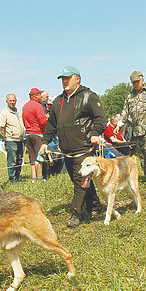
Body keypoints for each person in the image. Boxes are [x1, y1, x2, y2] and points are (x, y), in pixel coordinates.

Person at [40, 66, 107, 228]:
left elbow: (101, 118)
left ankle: (76, 214)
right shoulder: (58, 101)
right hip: (66, 150)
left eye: (67, 78)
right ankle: (96, 206)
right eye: (62, 79)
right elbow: (51, 125)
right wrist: (45, 142)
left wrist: (95, 133)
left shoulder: (89, 96)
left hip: (84, 148)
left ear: (77, 79)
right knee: (79, 180)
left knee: (80, 182)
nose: (64, 81)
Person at [0, 94, 25, 183]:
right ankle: (12, 179)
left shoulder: (18, 111)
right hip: (11, 140)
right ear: (7, 101)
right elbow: (0, 127)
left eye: (14, 100)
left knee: (19, 159)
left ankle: (18, 176)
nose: (12, 102)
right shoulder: (4, 112)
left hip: (20, 139)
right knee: (12, 160)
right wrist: (5, 138)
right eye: (10, 101)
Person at [22, 88, 47, 182]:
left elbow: (24, 120)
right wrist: (45, 131)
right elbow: (42, 121)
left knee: (32, 158)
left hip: (28, 134)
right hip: (38, 134)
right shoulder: (38, 106)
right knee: (39, 157)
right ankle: (40, 178)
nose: (41, 96)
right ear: (36, 96)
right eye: (40, 95)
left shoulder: (25, 106)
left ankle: (33, 178)